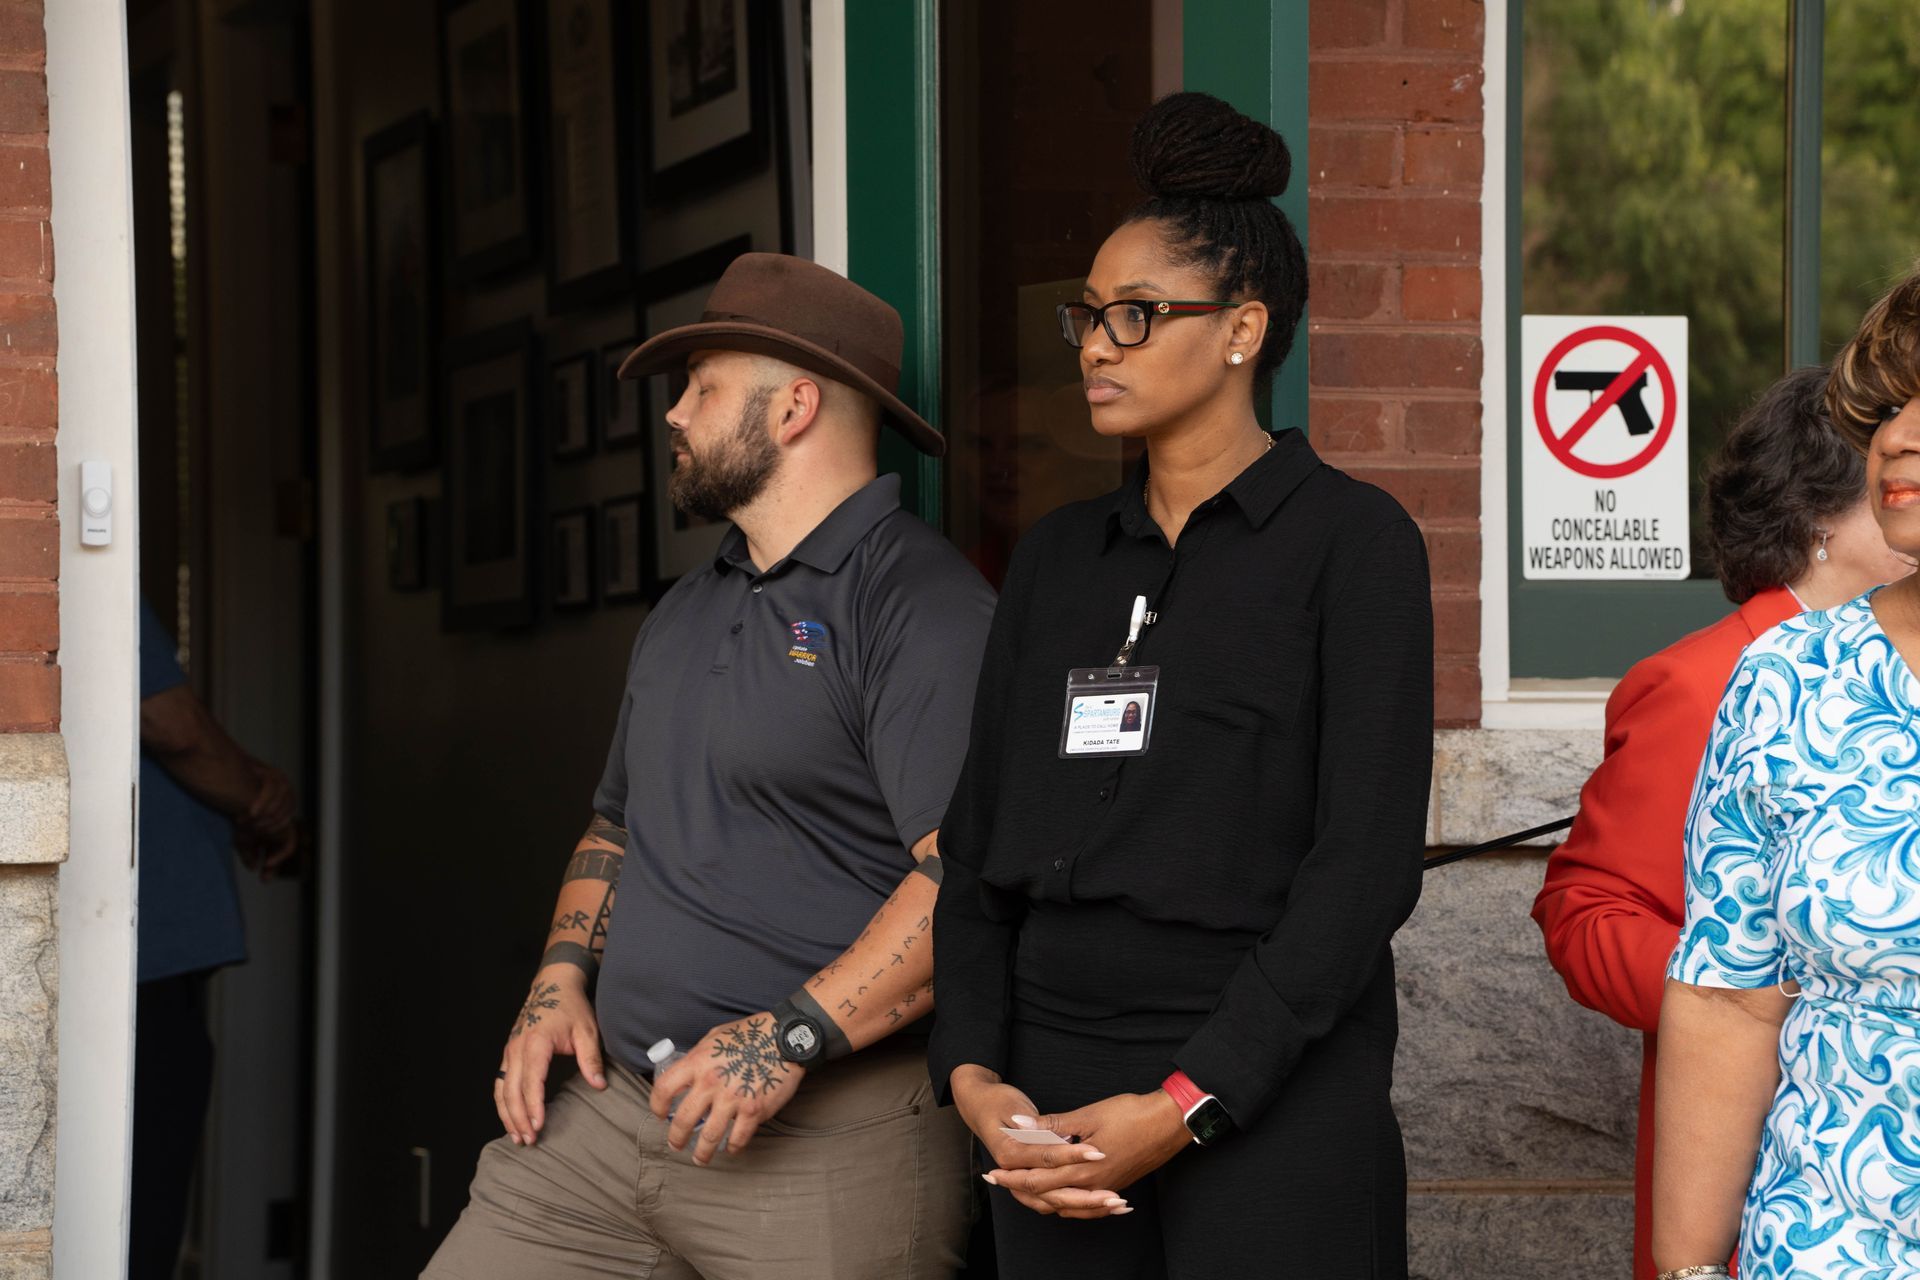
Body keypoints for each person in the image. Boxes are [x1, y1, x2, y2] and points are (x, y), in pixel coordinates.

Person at [928, 92, 1434, 1278]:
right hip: (1047, 1102)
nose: (1097, 344)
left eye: (1138, 314)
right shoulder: (1057, 559)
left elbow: (1362, 871)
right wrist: (975, 1074)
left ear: (1244, 327)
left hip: (1268, 1086)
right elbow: (978, 844)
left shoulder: (1353, 545)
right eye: (1090, 315)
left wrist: (1187, 1100)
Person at [424, 253, 995, 1280]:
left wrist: (787, 1038)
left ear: (795, 408)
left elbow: (969, 876)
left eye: (703, 386)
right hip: (604, 1127)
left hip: (827, 1149)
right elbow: (617, 825)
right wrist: (559, 978)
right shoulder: (689, 606)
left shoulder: (922, 605)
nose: (676, 413)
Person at [1531, 365, 1915, 1280]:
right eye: (1883, 432)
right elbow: (1588, 908)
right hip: (1785, 1171)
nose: (1899, 447)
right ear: (1820, 519)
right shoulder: (1721, 677)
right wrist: (1745, 987)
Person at [1653, 269, 1920, 1279]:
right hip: (1827, 1241)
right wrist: (1688, 1271)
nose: (1896, 438)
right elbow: (1729, 995)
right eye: (1885, 409)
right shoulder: (1790, 677)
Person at [130, 598, 300, 1279]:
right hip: (139, 961)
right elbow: (173, 728)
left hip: (147, 953)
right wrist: (260, 800)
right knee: (140, 1211)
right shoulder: (83, 567)